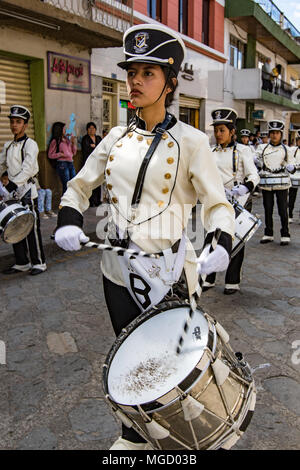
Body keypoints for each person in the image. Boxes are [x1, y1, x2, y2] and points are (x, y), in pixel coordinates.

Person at [54, 23, 235, 450]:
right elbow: (79, 186)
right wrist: (67, 218)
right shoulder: (115, 137)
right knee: (132, 358)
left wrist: (221, 242)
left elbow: (217, 204)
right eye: (132, 72)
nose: (135, 81)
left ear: (170, 83)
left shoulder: (191, 141)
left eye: (148, 73)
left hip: (167, 272)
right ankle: (135, 434)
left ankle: (179, 440)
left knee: (172, 365)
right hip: (117, 272)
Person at [203, 108, 259, 295]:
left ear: (232, 131)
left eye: (222, 130)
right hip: (216, 201)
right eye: (216, 130)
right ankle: (208, 277)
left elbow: (253, 175)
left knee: (235, 241)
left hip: (239, 202)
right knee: (211, 238)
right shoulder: (210, 152)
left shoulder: (243, 151)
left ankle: (232, 281)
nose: (218, 134)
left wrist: (246, 187)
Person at [0, 105, 47, 275]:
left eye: (18, 122)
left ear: (25, 125)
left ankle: (39, 262)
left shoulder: (30, 144)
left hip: (27, 191)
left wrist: (13, 184)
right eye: (12, 122)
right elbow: (1, 165)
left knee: (32, 229)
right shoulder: (8, 146)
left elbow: (28, 168)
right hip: (12, 193)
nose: (14, 125)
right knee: (14, 226)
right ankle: (22, 262)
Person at [256, 120, 296, 245]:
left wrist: (291, 167)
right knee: (268, 209)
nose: (274, 135)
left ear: (281, 134)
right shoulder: (262, 148)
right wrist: (256, 162)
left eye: (277, 133)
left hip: (282, 183)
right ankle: (268, 233)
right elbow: (257, 162)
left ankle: (285, 234)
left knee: (282, 210)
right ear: (269, 134)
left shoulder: (287, 149)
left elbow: (293, 167)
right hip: (267, 183)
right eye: (272, 133)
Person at [47, 122, 77, 194]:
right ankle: (65, 203)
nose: (65, 131)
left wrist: (73, 143)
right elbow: (50, 155)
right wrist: (60, 154)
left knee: (73, 183)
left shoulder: (67, 140)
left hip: (71, 163)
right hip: (62, 164)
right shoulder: (55, 141)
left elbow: (73, 153)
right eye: (64, 129)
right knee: (66, 184)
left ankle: (72, 201)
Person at [81, 122, 102, 207]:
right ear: (87, 130)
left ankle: (98, 200)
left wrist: (94, 146)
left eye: (93, 128)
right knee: (90, 182)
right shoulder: (85, 139)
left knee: (98, 181)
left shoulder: (98, 138)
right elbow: (86, 150)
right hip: (89, 163)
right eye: (90, 128)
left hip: (98, 163)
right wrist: (93, 147)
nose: (91, 130)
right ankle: (91, 200)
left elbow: (101, 148)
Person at [288, 134, 300, 222]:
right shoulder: (293, 150)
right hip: (294, 175)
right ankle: (290, 215)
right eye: (298, 140)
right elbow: (289, 161)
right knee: (292, 196)